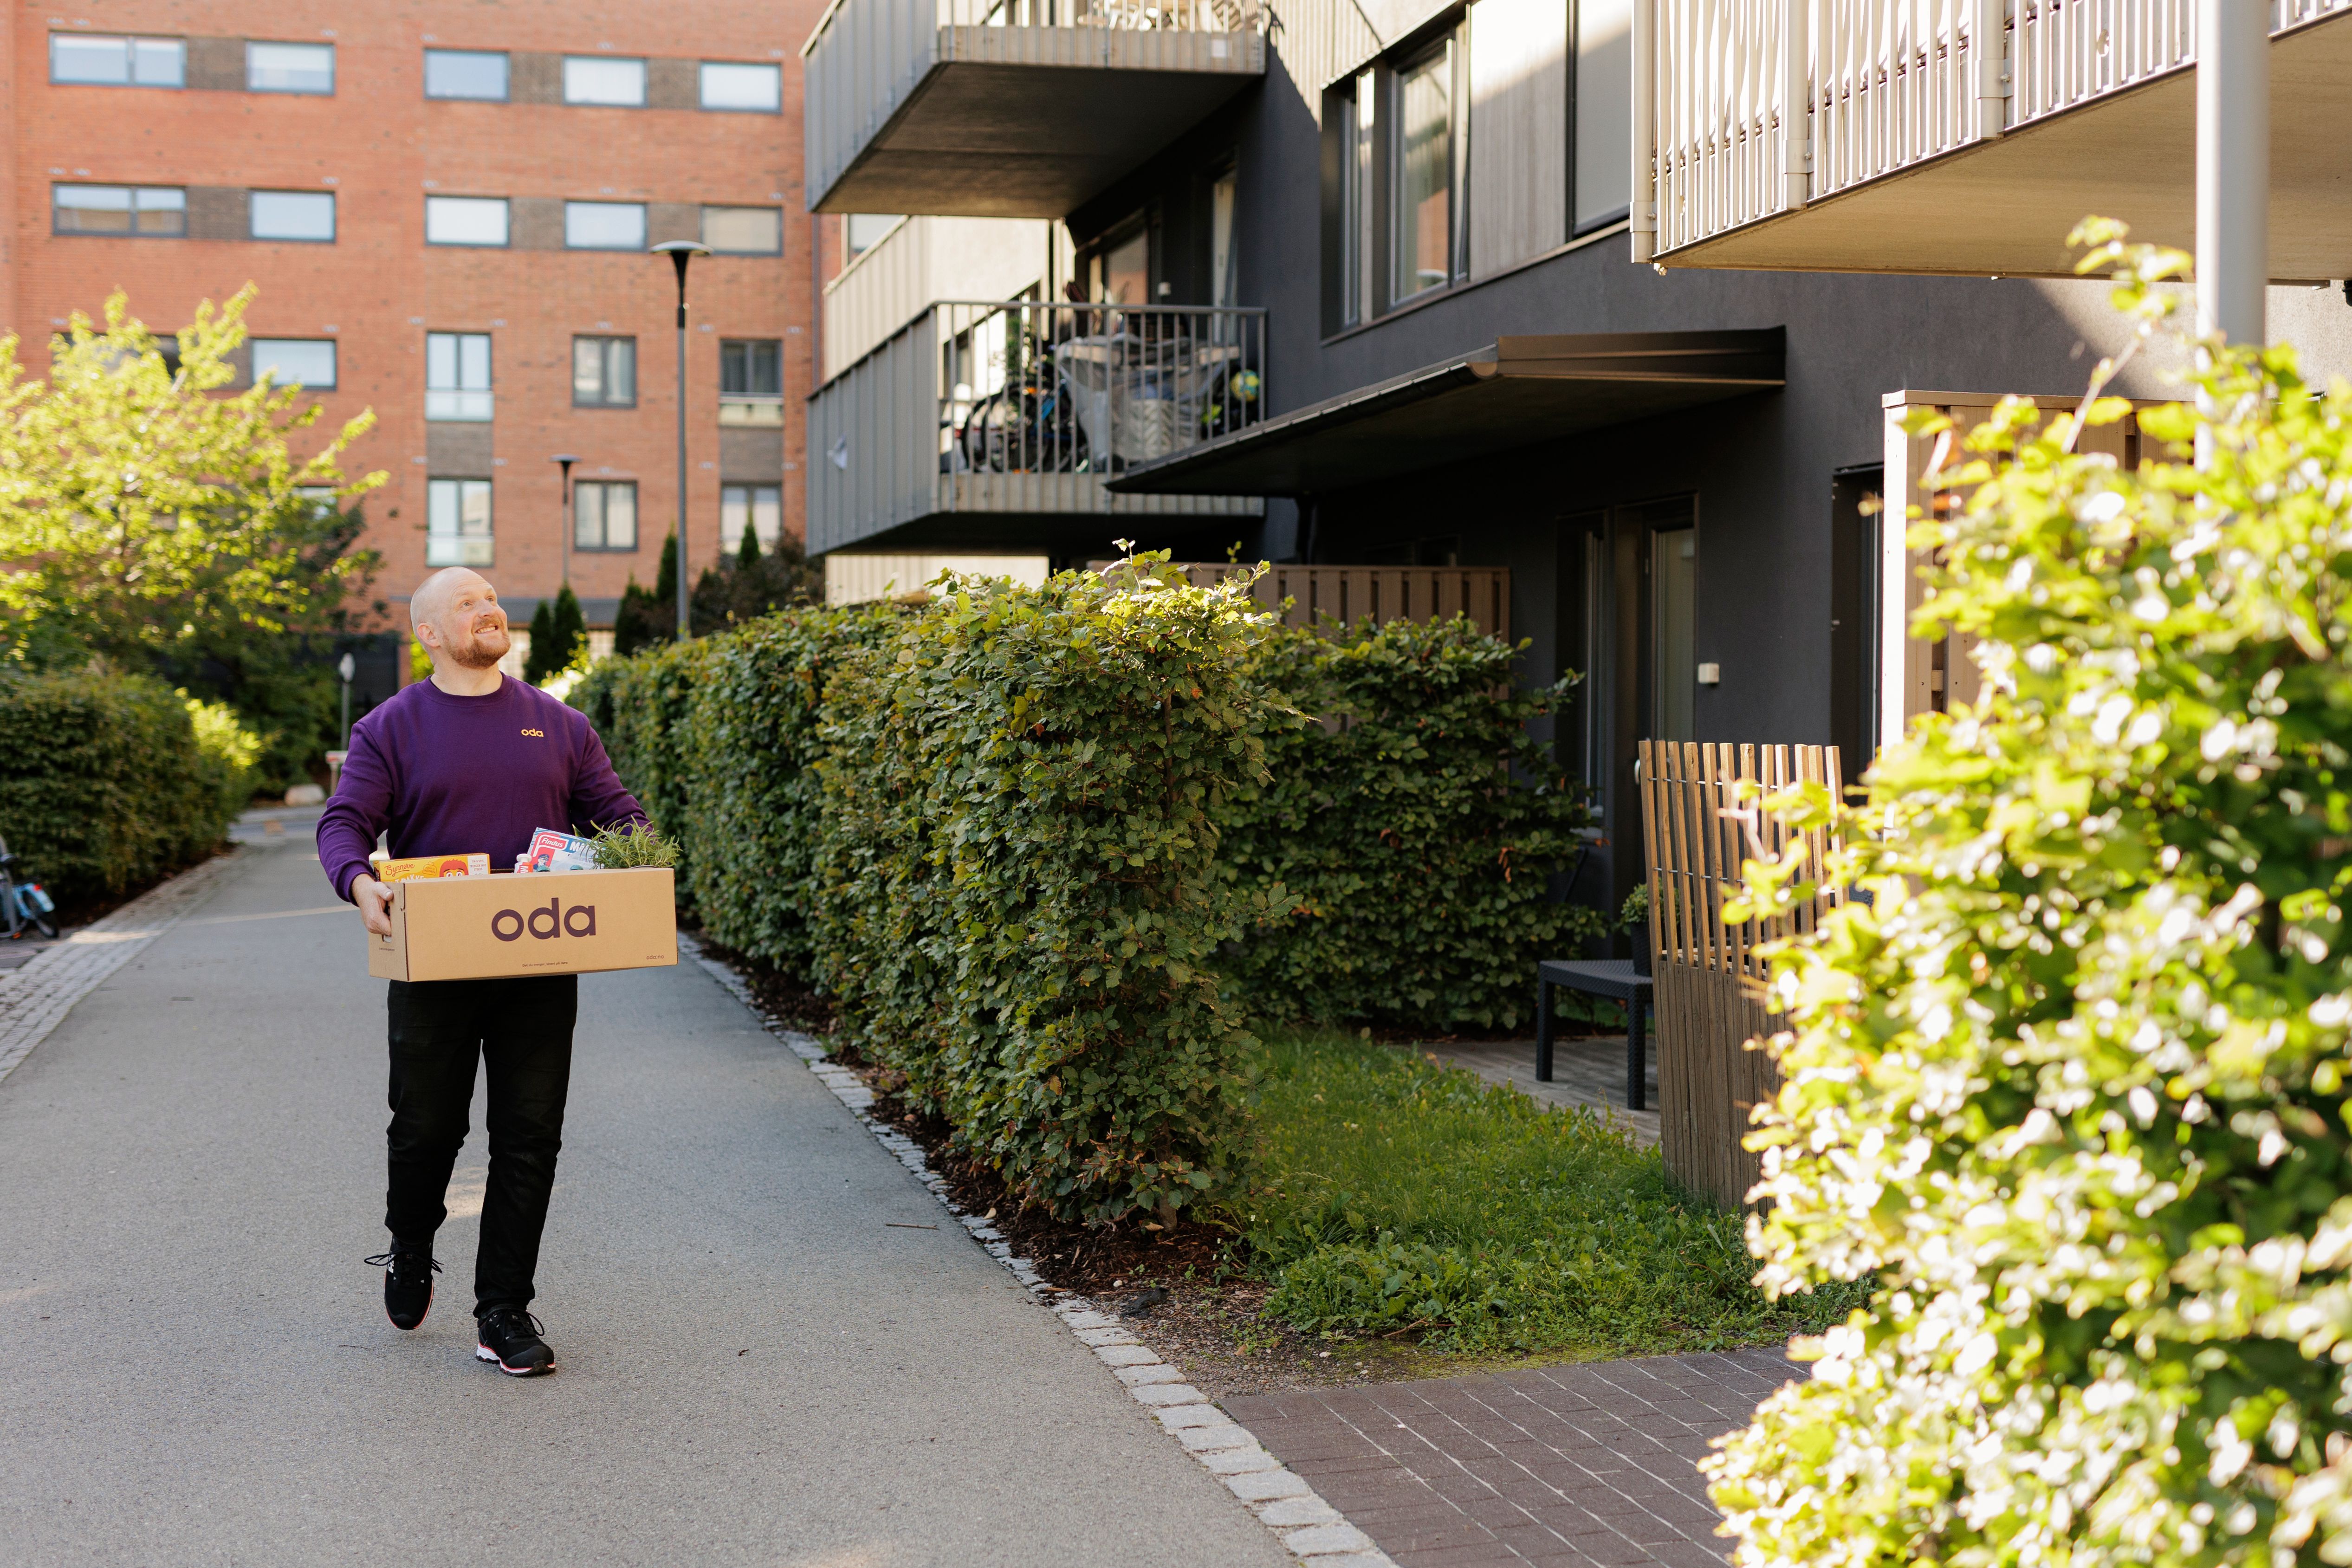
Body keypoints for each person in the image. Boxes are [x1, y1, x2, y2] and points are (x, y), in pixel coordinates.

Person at [316, 568, 646, 1377]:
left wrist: (628, 856)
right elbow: (346, 823)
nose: (489, 608)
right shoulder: (390, 727)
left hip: (539, 957)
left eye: (492, 597)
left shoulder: (559, 724)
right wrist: (361, 885)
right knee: (427, 1127)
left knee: (529, 1136)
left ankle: (502, 1308)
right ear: (430, 633)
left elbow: (621, 816)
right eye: (467, 602)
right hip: (434, 963)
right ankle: (410, 1240)